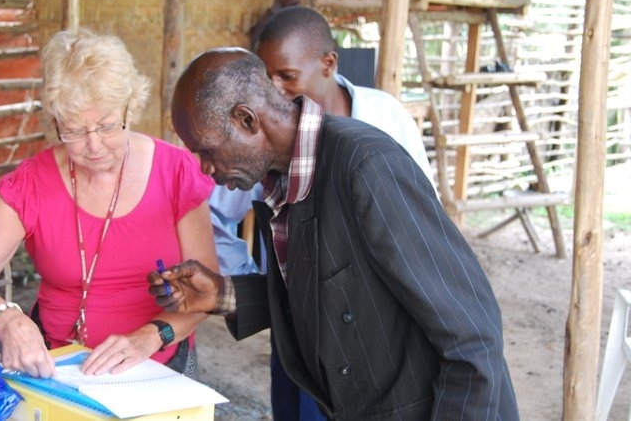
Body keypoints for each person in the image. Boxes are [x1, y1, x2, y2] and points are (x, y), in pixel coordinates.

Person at [149, 48, 520, 420]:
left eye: (207, 150)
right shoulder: (282, 184)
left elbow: (472, 333)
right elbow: (327, 296)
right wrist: (222, 293)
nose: (205, 168)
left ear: (247, 120)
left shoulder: (367, 167)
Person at [0, 29, 218, 380]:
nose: (94, 146)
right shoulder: (32, 183)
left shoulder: (176, 172)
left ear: (130, 109)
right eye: (73, 131)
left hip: (157, 364)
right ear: (55, 122)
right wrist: (6, 319)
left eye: (107, 126)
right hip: (57, 367)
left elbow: (209, 293)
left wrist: (149, 337)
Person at [209, 5, 437, 420]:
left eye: (287, 76)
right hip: (303, 329)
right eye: (266, 78)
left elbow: (424, 218)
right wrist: (251, 281)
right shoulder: (262, 133)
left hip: (380, 327)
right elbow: (214, 212)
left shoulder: (384, 119)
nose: (275, 91)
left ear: (328, 64)